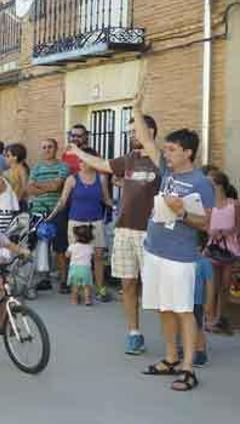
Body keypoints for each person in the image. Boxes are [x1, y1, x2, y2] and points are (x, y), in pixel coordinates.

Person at [65, 98, 163, 355]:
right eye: (129, 132)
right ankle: (134, 332)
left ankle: (179, 338)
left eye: (136, 131)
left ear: (150, 132)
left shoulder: (158, 158)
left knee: (158, 289)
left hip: (150, 233)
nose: (132, 135)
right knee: (128, 284)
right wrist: (77, 153)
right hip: (124, 231)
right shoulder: (128, 159)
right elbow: (102, 165)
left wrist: (138, 107)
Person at [140, 129, 214, 392]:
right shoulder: (167, 171)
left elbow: (206, 223)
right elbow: (147, 141)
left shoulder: (201, 182)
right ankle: (171, 358)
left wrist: (181, 212)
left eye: (172, 149)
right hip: (155, 251)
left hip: (180, 256)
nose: (166, 153)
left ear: (188, 153)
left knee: (183, 309)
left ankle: (188, 368)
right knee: (164, 307)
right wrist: (136, 108)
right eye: (167, 149)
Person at [48, 158, 112, 301]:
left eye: (85, 161)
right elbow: (63, 200)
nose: (81, 164)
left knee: (98, 256)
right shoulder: (72, 179)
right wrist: (52, 215)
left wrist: (117, 208)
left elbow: (106, 198)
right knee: (77, 258)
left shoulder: (101, 178)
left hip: (95, 222)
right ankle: (78, 291)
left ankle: (100, 288)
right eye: (80, 161)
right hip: (76, 222)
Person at [27, 138, 71, 293]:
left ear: (56, 148)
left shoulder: (64, 166)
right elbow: (29, 189)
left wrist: (40, 186)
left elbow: (57, 186)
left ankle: (64, 281)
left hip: (57, 211)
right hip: (38, 212)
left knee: (60, 248)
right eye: (44, 147)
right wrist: (49, 188)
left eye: (49, 147)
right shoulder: (37, 167)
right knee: (40, 247)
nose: (46, 150)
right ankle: (44, 279)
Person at [202, 170, 239, 333]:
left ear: (219, 185)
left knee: (225, 285)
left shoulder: (234, 204)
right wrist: (212, 231)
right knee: (211, 285)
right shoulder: (208, 205)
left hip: (230, 247)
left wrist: (228, 231)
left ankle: (219, 316)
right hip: (212, 247)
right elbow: (205, 225)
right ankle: (209, 318)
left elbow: (238, 226)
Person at [192, 232, 214, 366]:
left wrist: (209, 303)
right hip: (183, 300)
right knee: (183, 325)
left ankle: (201, 351)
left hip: (197, 301)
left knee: (198, 327)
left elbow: (210, 284)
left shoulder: (204, 262)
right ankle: (186, 347)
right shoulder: (183, 260)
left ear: (200, 247)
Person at [66, 225, 95, 306]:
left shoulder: (73, 246)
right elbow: (92, 256)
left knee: (75, 286)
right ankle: (87, 300)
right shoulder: (90, 247)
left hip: (75, 269)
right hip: (86, 269)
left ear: (76, 237)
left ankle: (74, 300)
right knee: (86, 286)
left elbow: (67, 255)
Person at [4, 143, 30, 210]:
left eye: (8, 156)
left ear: (15, 157)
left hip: (19, 201)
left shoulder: (21, 169)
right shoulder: (9, 171)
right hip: (10, 201)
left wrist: (17, 199)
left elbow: (24, 186)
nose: (5, 158)